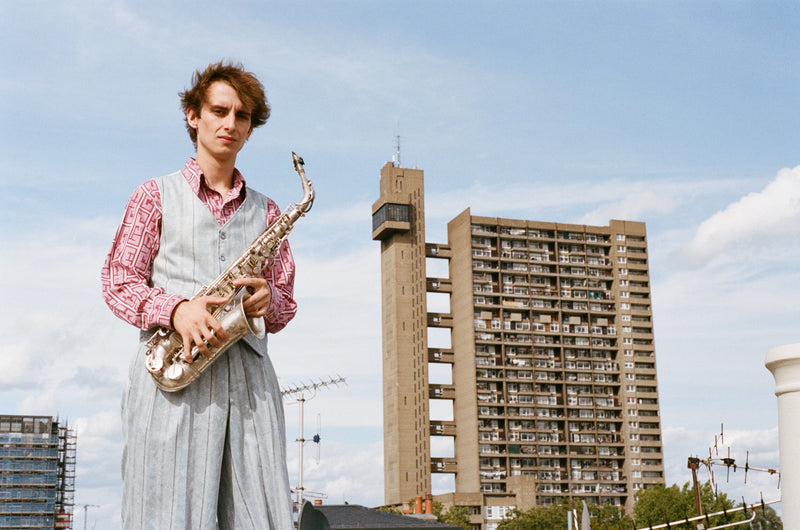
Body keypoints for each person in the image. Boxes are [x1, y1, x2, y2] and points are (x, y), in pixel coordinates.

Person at [101, 60, 296, 529]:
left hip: (250, 385)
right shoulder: (153, 195)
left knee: (263, 518)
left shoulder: (269, 210)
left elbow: (287, 301)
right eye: (219, 111)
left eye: (243, 116)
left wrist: (269, 300)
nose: (231, 124)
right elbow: (118, 281)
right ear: (194, 115)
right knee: (164, 517)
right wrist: (176, 308)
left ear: (251, 128)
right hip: (173, 373)